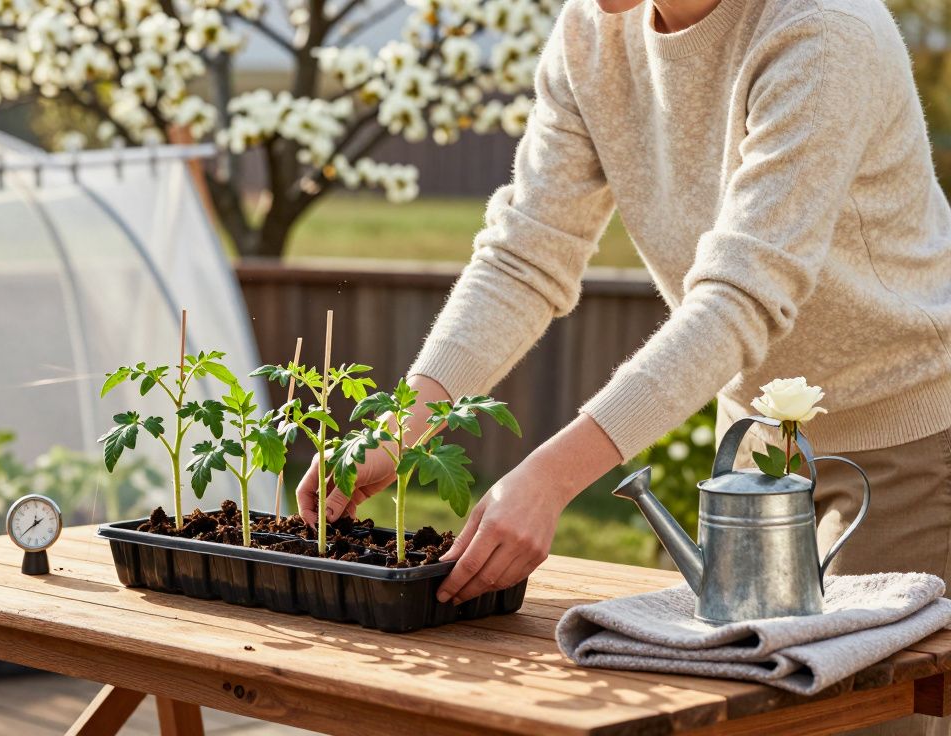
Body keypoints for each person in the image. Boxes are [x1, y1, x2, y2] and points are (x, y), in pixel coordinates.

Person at [297, 0, 951, 622]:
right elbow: (525, 256)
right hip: (754, 438)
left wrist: (550, 480)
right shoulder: (591, 34)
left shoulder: (823, 30)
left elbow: (741, 296)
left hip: (907, 434)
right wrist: (399, 426)